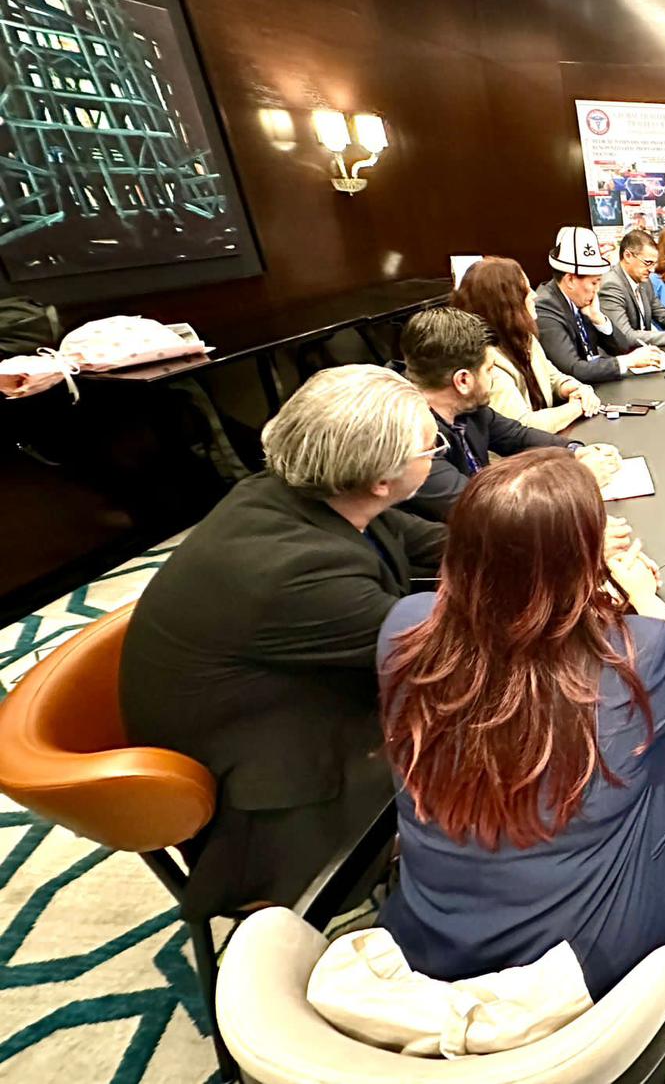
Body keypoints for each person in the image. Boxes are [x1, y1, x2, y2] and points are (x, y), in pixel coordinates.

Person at [376, 448, 665, 995]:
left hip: (439, 942)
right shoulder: (638, 652)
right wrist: (640, 595)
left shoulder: (403, 627)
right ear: (582, 560)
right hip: (591, 961)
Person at [120, 365, 447, 919]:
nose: (437, 453)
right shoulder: (298, 573)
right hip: (272, 799)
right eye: (430, 445)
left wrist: (530, 536)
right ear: (380, 480)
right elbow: (447, 645)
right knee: (490, 725)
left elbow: (427, 540)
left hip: (278, 708)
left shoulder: (307, 495)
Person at [397, 306, 620, 521]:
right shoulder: (413, 440)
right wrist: (577, 479)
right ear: (463, 380)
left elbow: (518, 437)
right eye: (489, 369)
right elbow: (479, 509)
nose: (494, 377)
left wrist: (575, 453)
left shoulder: (467, 407)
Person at [451, 256, 601, 435]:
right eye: (525, 291)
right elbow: (522, 425)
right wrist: (577, 407)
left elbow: (552, 378)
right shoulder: (486, 361)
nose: (534, 295)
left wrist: (578, 389)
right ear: (505, 304)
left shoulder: (523, 337)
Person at [533, 226, 665, 384]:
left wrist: (599, 319)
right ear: (570, 280)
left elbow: (622, 347)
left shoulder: (581, 300)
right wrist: (628, 361)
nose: (597, 289)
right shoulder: (545, 309)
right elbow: (574, 369)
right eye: (594, 283)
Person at [598, 228, 665, 348]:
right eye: (647, 262)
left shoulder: (644, 280)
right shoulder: (611, 285)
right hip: (623, 355)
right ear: (628, 256)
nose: (651, 269)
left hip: (646, 351)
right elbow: (626, 336)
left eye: (653, 264)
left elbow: (663, 315)